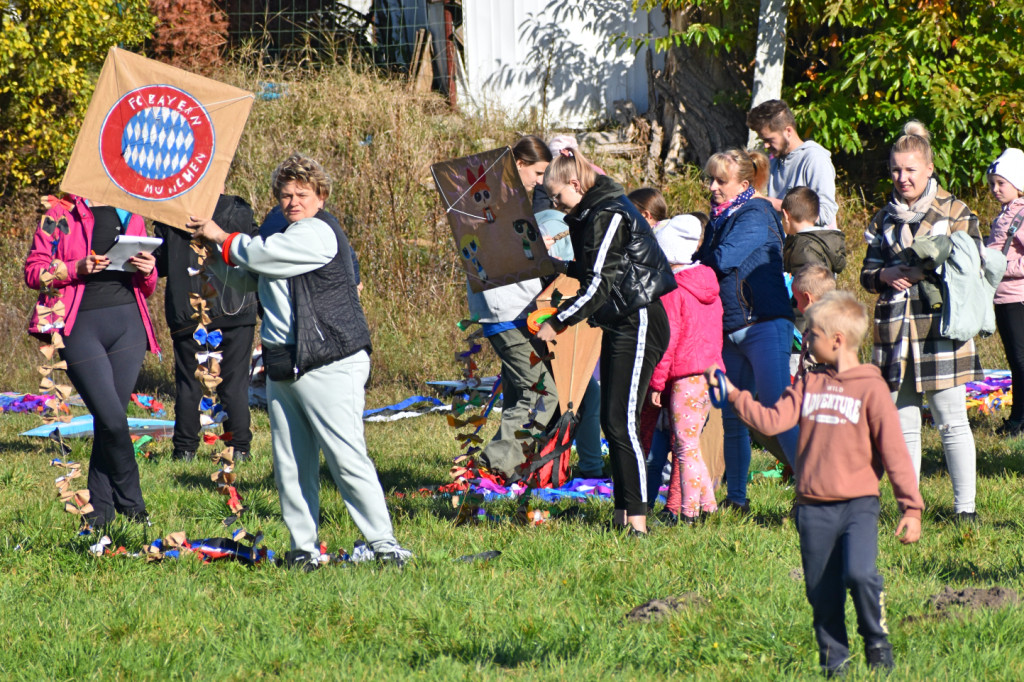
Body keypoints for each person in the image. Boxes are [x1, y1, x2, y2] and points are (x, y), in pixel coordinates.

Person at [191, 154, 411, 568]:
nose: (293, 202)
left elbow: (258, 256)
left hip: (329, 361)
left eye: (302, 194)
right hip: (283, 362)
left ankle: (385, 545)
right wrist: (215, 254)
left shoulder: (316, 232)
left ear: (320, 197)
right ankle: (303, 549)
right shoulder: (286, 236)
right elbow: (250, 276)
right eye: (285, 195)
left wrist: (221, 236)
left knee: (346, 458)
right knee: (290, 464)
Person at [706, 291, 923, 677]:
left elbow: (894, 452)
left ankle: (876, 639)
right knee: (821, 593)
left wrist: (911, 507)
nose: (805, 341)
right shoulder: (808, 383)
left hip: (858, 504)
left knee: (859, 574)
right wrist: (736, 396)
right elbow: (773, 421)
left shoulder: (871, 388)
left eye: (812, 334)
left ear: (837, 340)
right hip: (812, 507)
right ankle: (834, 662)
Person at [536, 147, 675, 535]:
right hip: (617, 320)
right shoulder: (588, 214)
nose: (556, 204)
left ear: (576, 185)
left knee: (623, 421)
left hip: (640, 317)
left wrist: (559, 321)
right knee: (611, 422)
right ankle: (621, 515)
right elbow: (586, 270)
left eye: (558, 196)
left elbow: (599, 282)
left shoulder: (610, 212)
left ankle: (639, 522)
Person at [860, 121, 982, 523]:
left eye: (911, 169)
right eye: (896, 170)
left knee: (951, 422)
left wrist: (924, 273)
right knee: (903, 425)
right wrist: (884, 276)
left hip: (940, 329)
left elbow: (973, 266)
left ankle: (965, 509)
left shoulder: (955, 210)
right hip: (895, 330)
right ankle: (909, 509)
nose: (902, 178)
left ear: (929, 168)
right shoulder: (883, 218)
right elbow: (866, 273)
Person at [25, 196, 161, 530]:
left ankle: (100, 513)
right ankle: (133, 504)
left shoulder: (132, 210)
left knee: (107, 419)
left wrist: (149, 270)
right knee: (113, 420)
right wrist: (76, 268)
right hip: (80, 326)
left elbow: (147, 286)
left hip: (129, 326)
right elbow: (33, 272)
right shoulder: (58, 214)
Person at [697, 148, 797, 513]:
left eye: (720, 181)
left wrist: (688, 262)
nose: (712, 187)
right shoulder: (722, 216)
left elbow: (721, 259)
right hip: (731, 326)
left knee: (777, 411)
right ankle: (737, 499)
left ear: (744, 183)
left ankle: (817, 493)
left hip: (763, 324)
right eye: (710, 179)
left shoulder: (755, 214)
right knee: (733, 417)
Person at [466, 135, 559, 479]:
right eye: (536, 172)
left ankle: (513, 469)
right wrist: (537, 247)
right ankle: (491, 467)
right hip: (505, 311)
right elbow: (489, 254)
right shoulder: (493, 201)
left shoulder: (509, 199)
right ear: (518, 165)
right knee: (543, 393)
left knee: (521, 392)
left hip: (516, 309)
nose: (540, 181)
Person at [154, 194, 258, 463]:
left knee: (190, 383)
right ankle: (239, 448)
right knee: (233, 383)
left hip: (190, 308)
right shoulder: (239, 209)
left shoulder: (171, 210)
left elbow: (161, 262)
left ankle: (185, 449)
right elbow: (252, 252)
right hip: (234, 308)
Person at [646, 214, 723, 525]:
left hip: (685, 377)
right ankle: (708, 505)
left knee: (684, 447)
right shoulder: (709, 287)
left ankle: (688, 512)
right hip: (711, 374)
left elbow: (668, 342)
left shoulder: (673, 291)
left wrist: (657, 383)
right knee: (690, 445)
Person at [535, 206, 604, 478]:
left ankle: (587, 467)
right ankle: (587, 468)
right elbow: (561, 282)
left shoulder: (549, 218)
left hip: (549, 319)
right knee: (576, 396)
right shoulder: (554, 223)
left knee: (583, 395)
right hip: (548, 322)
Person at [747, 99, 839, 229]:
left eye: (769, 140)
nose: (766, 145)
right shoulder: (774, 161)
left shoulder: (815, 159)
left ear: (788, 131)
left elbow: (825, 213)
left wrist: (774, 204)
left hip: (808, 247)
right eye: (763, 140)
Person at [983, 148, 1024, 436]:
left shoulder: (1021, 214)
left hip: (1016, 297)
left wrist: (999, 265)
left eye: (1001, 183)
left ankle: (1019, 421)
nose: (995, 189)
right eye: (992, 184)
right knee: (1015, 360)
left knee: (1020, 361)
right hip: (1003, 297)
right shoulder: (1005, 214)